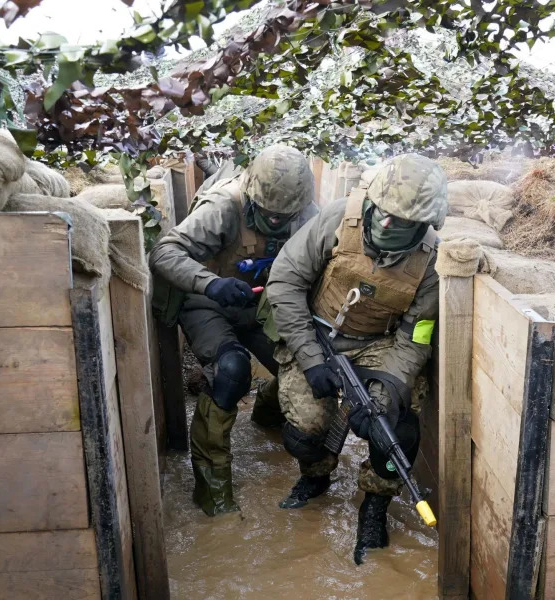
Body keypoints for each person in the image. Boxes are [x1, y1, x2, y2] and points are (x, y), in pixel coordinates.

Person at [265, 153, 446, 563]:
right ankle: (316, 475)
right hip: (316, 331)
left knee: (395, 429)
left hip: (380, 343)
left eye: (398, 220)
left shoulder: (431, 263)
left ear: (421, 225)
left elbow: (415, 336)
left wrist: (384, 394)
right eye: (380, 212)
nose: (384, 223)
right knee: (305, 432)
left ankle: (375, 505)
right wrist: (311, 359)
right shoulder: (336, 219)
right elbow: (284, 281)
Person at [149, 144, 317, 516]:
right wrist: (210, 283)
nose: (276, 221)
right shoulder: (224, 206)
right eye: (268, 214)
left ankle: (267, 420)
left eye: (284, 215)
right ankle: (213, 492)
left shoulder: (307, 214)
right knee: (231, 372)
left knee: (300, 367)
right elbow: (164, 252)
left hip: (260, 305)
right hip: (208, 302)